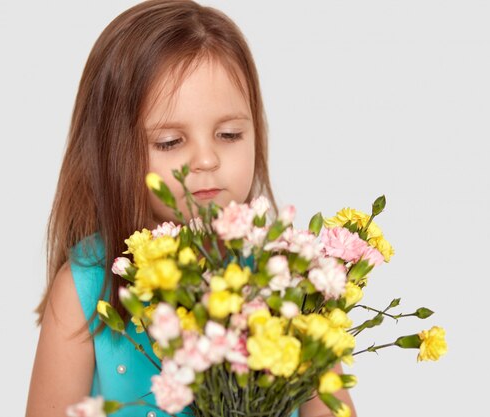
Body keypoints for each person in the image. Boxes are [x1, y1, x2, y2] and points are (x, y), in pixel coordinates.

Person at [25, 1, 358, 416]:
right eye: (169, 142)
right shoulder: (84, 290)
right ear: (111, 151)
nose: (205, 160)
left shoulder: (286, 281)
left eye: (229, 133)